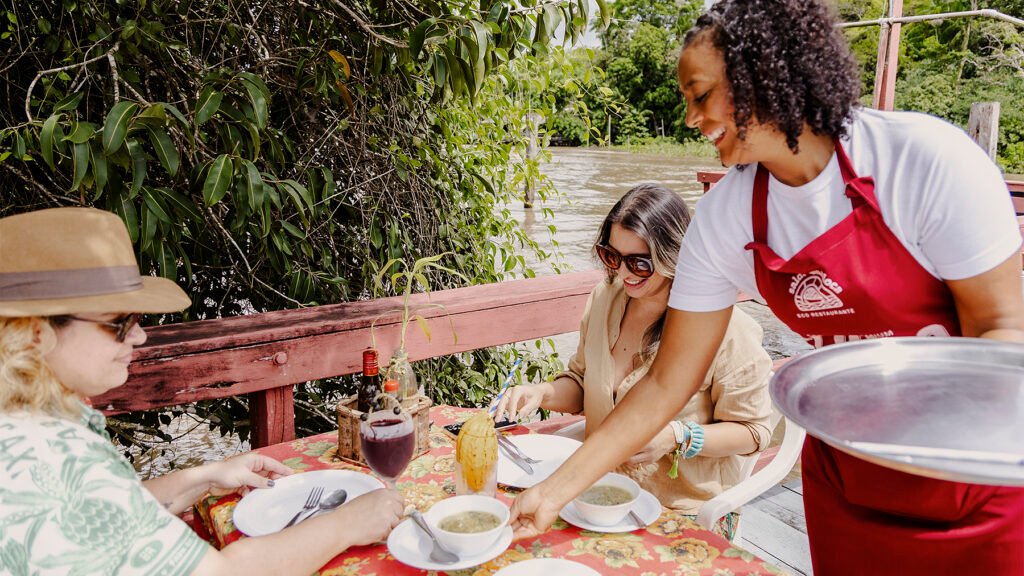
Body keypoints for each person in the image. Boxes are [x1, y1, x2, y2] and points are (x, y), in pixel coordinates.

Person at [508, 1, 1024, 574]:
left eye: (701, 95)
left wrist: (936, 449)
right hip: (847, 474)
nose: (691, 119)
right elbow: (665, 383)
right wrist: (551, 493)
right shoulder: (726, 216)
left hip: (970, 477)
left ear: (766, 74)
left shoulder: (926, 162)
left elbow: (1001, 329)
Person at [0, 207, 405, 576]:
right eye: (118, 323)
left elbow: (109, 511)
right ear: (36, 333)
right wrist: (346, 524)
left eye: (136, 319)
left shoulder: (25, 425)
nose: (139, 336)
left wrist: (206, 477)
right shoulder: (55, 453)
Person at [492, 183, 773, 539]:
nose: (623, 274)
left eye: (639, 263)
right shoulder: (605, 299)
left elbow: (754, 433)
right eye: (611, 256)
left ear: (673, 255)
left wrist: (677, 436)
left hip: (684, 511)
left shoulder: (727, 329)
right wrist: (542, 393)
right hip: (596, 494)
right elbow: (582, 384)